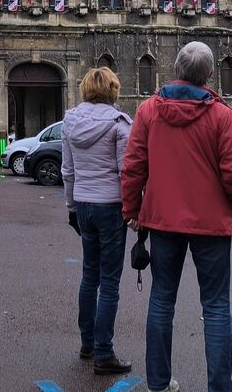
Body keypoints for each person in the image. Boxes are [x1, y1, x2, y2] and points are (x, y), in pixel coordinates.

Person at [121, 42, 232, 392]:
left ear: (176, 70)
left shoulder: (149, 111)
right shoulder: (221, 115)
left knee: (162, 299)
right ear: (208, 75)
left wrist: (131, 209)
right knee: (217, 306)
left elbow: (133, 166)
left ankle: (159, 383)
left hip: (163, 220)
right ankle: (220, 387)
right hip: (211, 222)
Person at [61, 67, 134, 375]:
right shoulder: (119, 124)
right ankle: (104, 352)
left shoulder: (69, 122)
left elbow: (67, 170)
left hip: (84, 203)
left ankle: (87, 342)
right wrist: (133, 210)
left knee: (89, 276)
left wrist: (71, 206)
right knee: (111, 282)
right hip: (110, 205)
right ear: (113, 90)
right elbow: (125, 173)